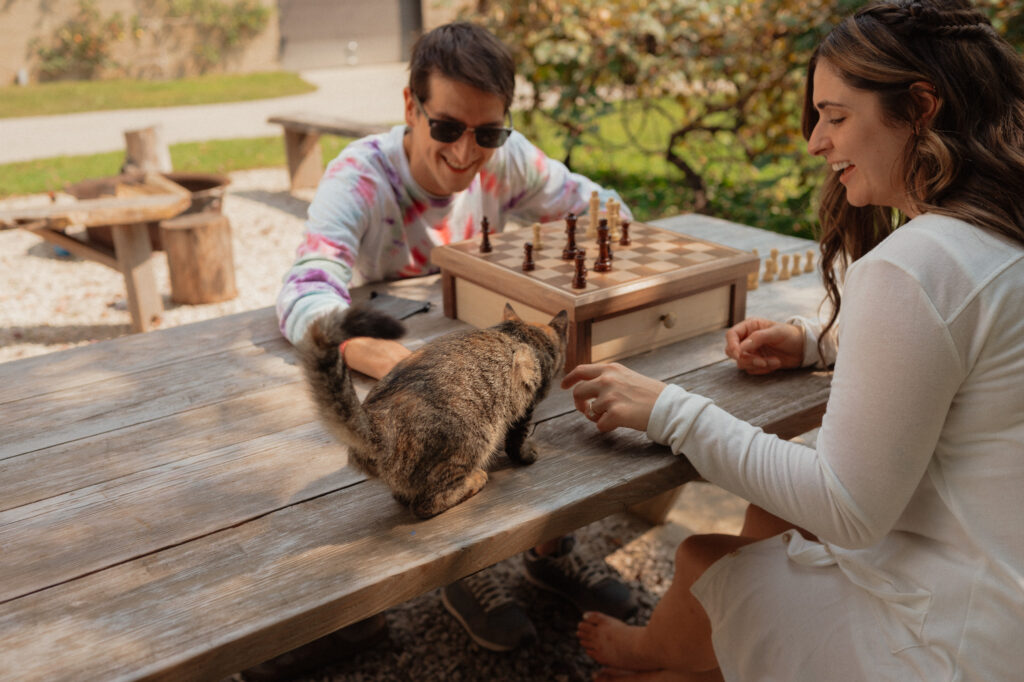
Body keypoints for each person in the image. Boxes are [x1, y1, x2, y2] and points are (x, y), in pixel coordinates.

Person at [562, 1, 1024, 680]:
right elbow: (973, 342)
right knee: (768, 510)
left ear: (920, 106)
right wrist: (822, 343)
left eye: (836, 117)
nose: (816, 142)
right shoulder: (999, 228)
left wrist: (669, 411)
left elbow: (848, 510)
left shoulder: (918, 263)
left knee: (700, 562)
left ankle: (660, 657)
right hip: (1003, 596)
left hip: (956, 642)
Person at [274, 22, 637, 656]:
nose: (468, 153)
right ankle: (465, 572)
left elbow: (605, 210)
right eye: (446, 127)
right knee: (456, 444)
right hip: (401, 368)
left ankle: (550, 552)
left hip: (481, 347)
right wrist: (376, 355)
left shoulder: (511, 158)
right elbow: (305, 288)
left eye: (488, 133)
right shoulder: (360, 176)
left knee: (559, 414)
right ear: (411, 107)